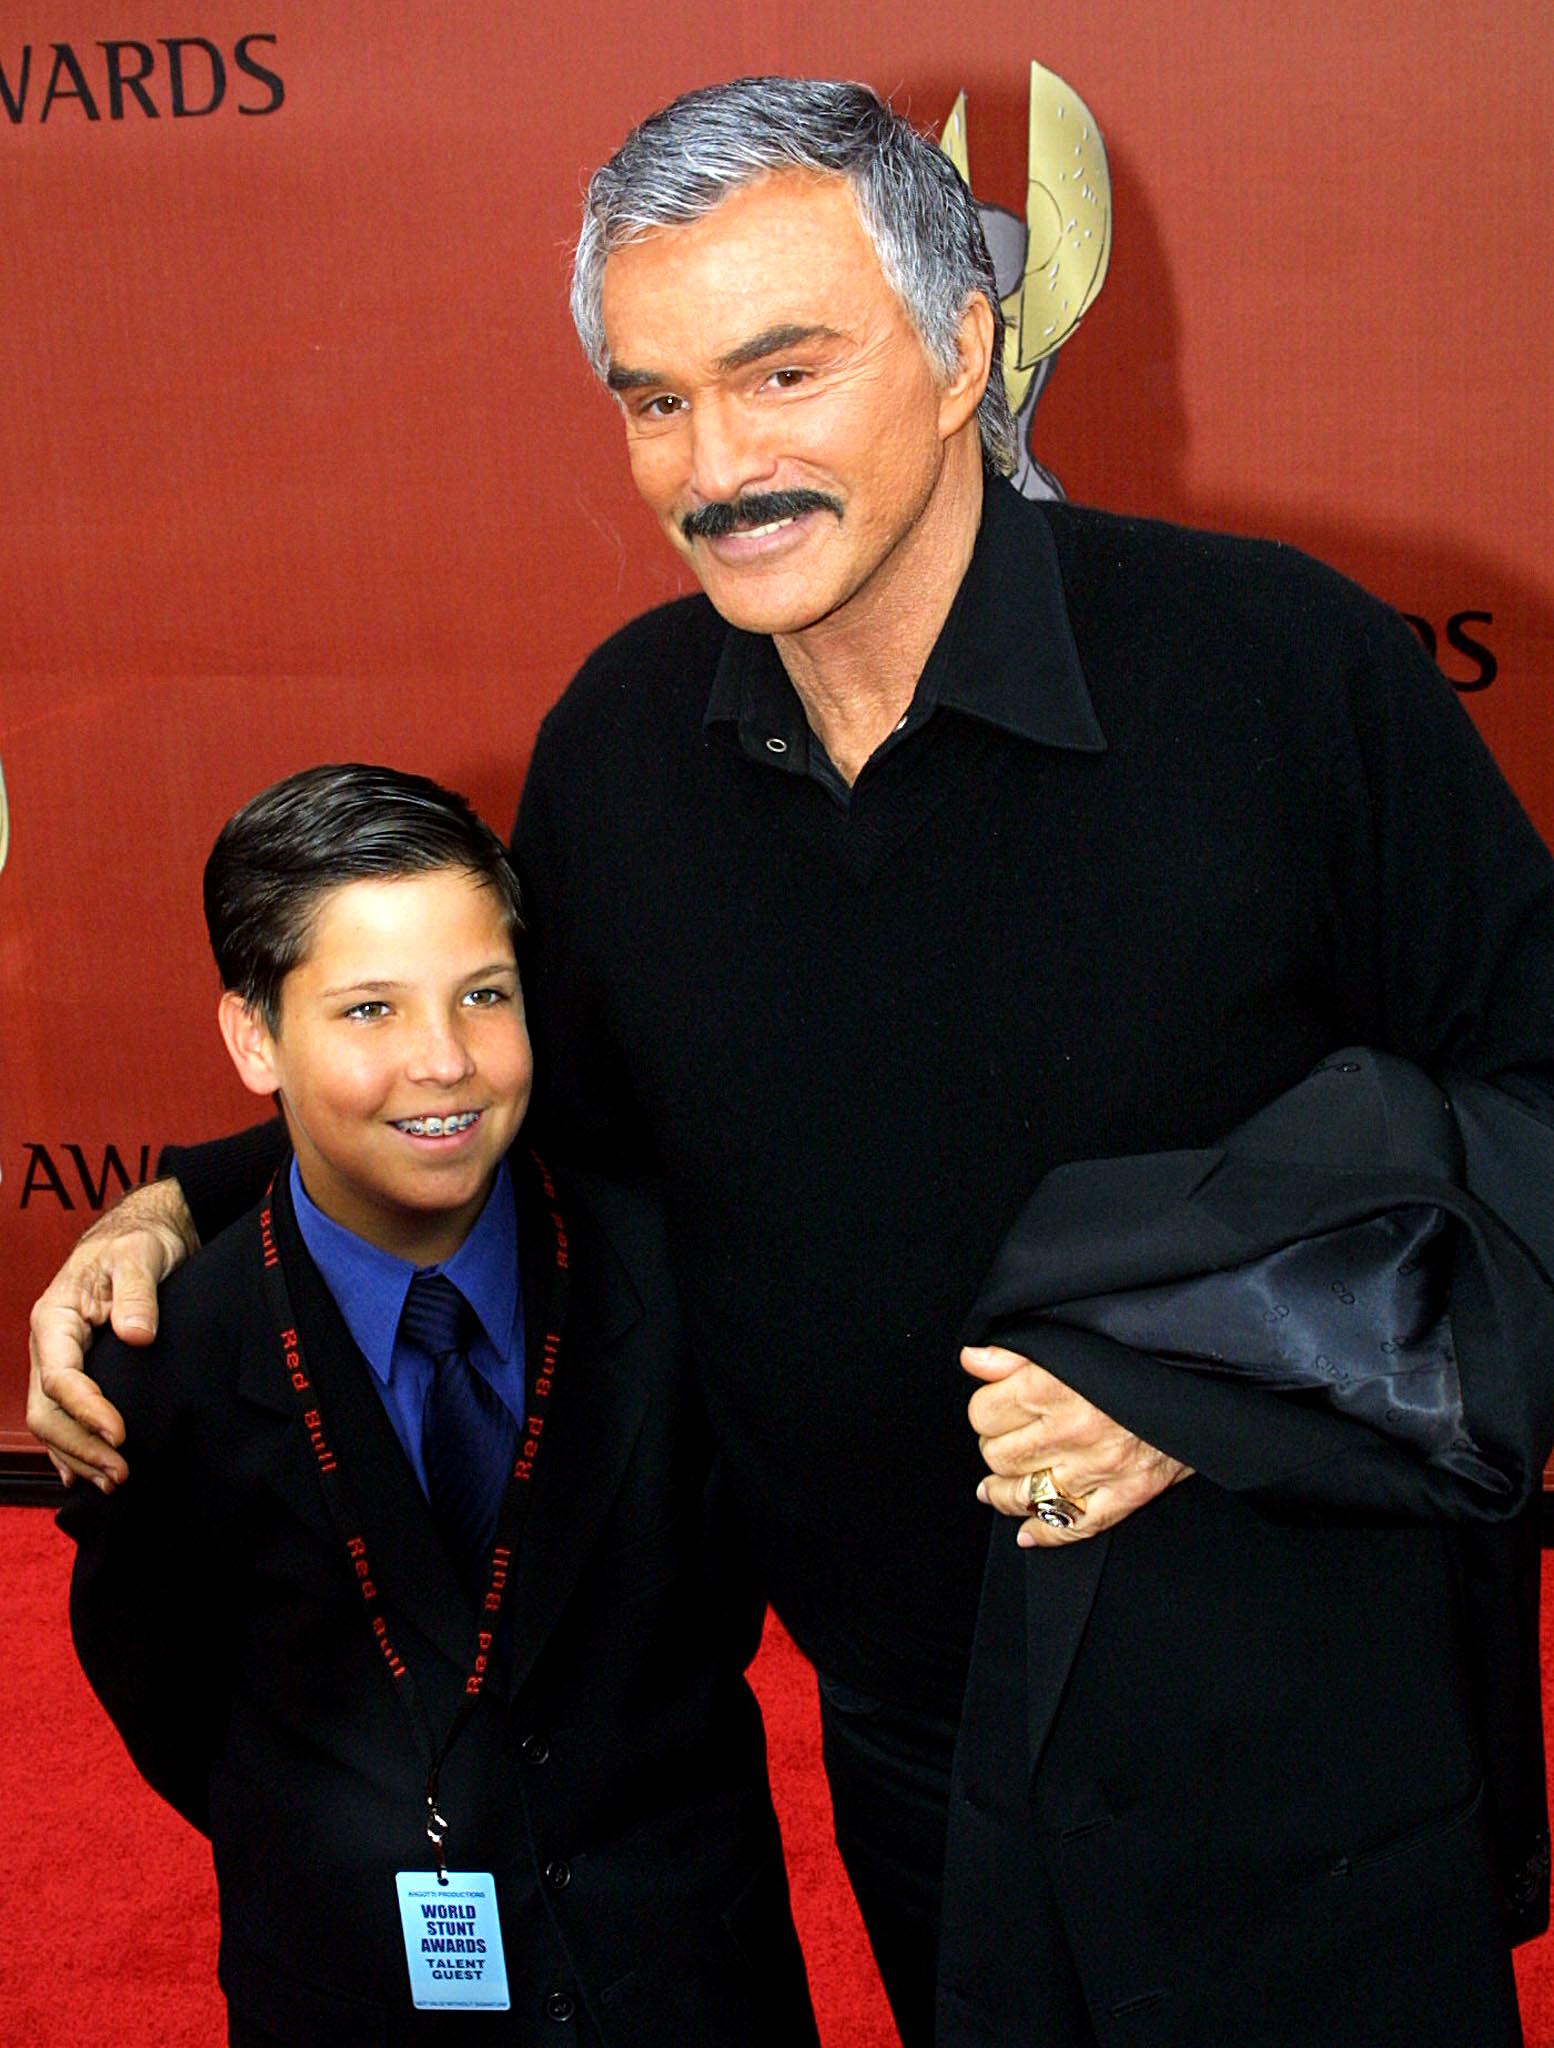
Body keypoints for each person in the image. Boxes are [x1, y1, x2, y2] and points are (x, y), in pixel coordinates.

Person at [31, 76, 1554, 2048]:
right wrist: (188, 1199)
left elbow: (1534, 1097)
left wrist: (1207, 1369)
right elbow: (532, 1129)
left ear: (961, 349)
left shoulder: (1281, 674)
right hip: (906, 1731)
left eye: (780, 373)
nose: (713, 463)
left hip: (1296, 1714)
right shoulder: (623, 742)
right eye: (654, 398)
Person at [56, 763, 817, 2048]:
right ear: (254, 1037)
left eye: (485, 994)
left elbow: (718, 1606)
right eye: (368, 1009)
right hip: (353, 1992)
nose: (445, 1061)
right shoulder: (157, 1366)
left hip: (692, 1976)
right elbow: (170, 1698)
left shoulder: (669, 1276)